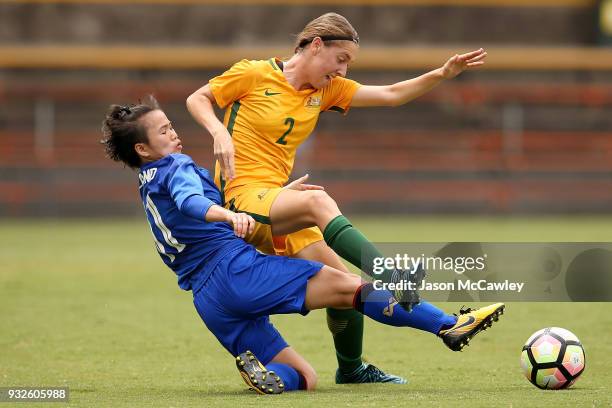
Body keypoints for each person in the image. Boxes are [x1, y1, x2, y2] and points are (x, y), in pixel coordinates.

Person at [101, 97, 505, 394]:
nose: (174, 133)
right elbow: (194, 203)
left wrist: (273, 199)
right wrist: (227, 215)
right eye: (164, 131)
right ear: (142, 149)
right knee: (350, 288)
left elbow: (189, 211)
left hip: (209, 301)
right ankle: (449, 325)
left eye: (172, 125)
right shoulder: (176, 166)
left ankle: (273, 379)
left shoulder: (149, 183)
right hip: (235, 272)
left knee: (304, 379)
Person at [186, 12, 488, 384]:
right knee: (318, 201)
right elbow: (198, 98)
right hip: (241, 200)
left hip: (277, 200)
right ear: (316, 45)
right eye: (341, 59)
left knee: (350, 290)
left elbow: (391, 95)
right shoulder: (254, 73)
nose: (343, 71)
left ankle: (363, 364)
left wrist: (440, 75)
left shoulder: (327, 91)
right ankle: (394, 274)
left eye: (349, 63)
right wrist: (218, 131)